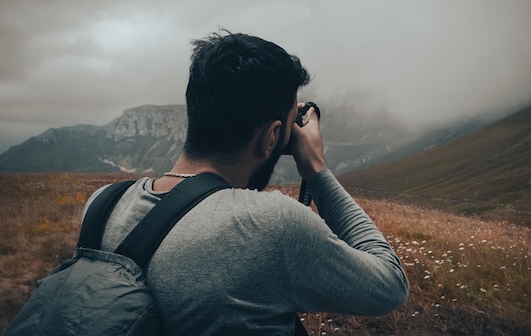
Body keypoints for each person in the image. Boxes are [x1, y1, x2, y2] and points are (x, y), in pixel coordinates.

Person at [83, 31, 409, 335]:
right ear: (270, 137)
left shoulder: (102, 205)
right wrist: (315, 168)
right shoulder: (269, 225)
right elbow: (389, 284)